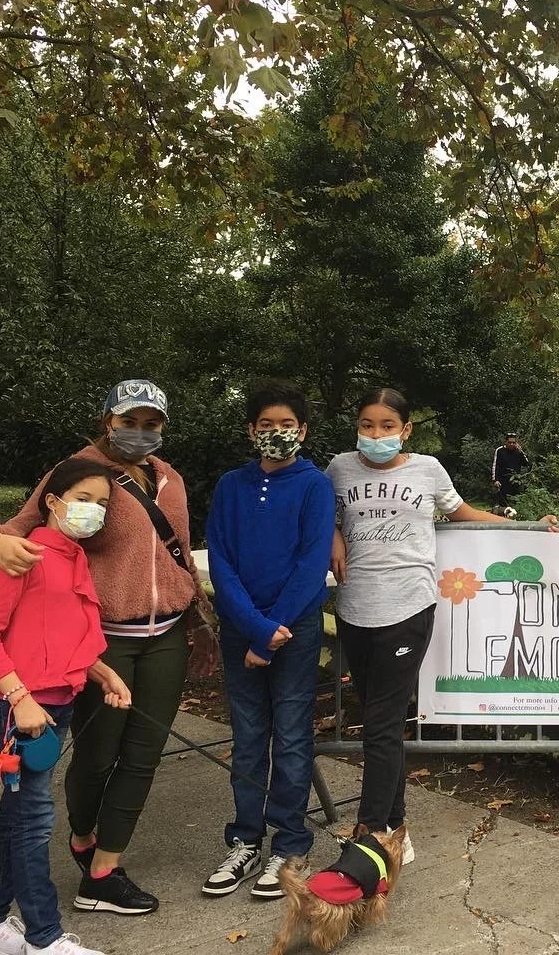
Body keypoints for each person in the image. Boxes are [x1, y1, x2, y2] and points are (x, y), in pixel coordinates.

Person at [0, 380, 218, 915]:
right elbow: (17, 528)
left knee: (143, 755)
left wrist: (200, 623)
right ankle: (83, 837)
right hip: (102, 640)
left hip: (168, 636)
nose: (139, 432)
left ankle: (105, 871)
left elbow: (175, 558)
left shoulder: (169, 479)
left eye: (151, 423)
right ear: (106, 419)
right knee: (96, 754)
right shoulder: (77, 474)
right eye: (128, 421)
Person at [326, 389, 558, 860]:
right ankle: (396, 828)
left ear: (406, 429)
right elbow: (322, 516)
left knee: (382, 723)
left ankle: (369, 835)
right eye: (367, 425)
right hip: (354, 607)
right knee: (378, 720)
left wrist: (528, 527)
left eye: (387, 426)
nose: (376, 435)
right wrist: (333, 536)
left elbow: (464, 513)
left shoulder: (428, 469)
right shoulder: (338, 468)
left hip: (409, 607)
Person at [0, 459, 133, 955]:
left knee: (18, 819)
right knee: (35, 820)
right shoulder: (28, 555)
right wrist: (20, 698)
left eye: (102, 504)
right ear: (54, 501)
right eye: (83, 499)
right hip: (19, 711)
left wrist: (105, 673)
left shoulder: (75, 557)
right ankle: (44, 937)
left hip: (55, 705)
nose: (93, 510)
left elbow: (62, 636)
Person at [202, 382, 336, 900]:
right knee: (249, 735)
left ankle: (291, 840)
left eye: (286, 426)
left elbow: (311, 565)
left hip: (295, 629)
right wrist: (255, 629)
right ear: (251, 430)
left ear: (302, 431)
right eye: (265, 425)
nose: (275, 434)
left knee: (293, 732)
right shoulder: (232, 485)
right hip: (243, 628)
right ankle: (245, 839)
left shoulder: (314, 485)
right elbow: (222, 560)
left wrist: (275, 630)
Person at [491, 432, 531, 509]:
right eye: (509, 442)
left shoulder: (518, 452)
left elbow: (527, 463)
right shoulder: (500, 451)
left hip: (515, 482)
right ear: (505, 442)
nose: (511, 444)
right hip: (502, 483)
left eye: (513, 442)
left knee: (515, 505)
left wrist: (521, 452)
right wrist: (495, 480)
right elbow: (495, 465)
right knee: (503, 505)